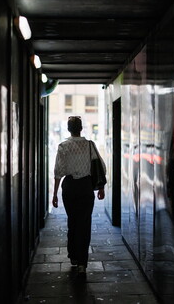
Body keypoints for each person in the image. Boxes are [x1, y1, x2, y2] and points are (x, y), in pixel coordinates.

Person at [52, 116, 106, 277]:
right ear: (81, 128)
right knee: (84, 223)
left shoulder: (63, 146)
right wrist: (101, 188)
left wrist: (54, 194)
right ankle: (82, 262)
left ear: (68, 129)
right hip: (85, 187)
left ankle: (73, 256)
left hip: (69, 187)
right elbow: (100, 167)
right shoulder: (90, 145)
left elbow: (58, 172)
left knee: (72, 221)